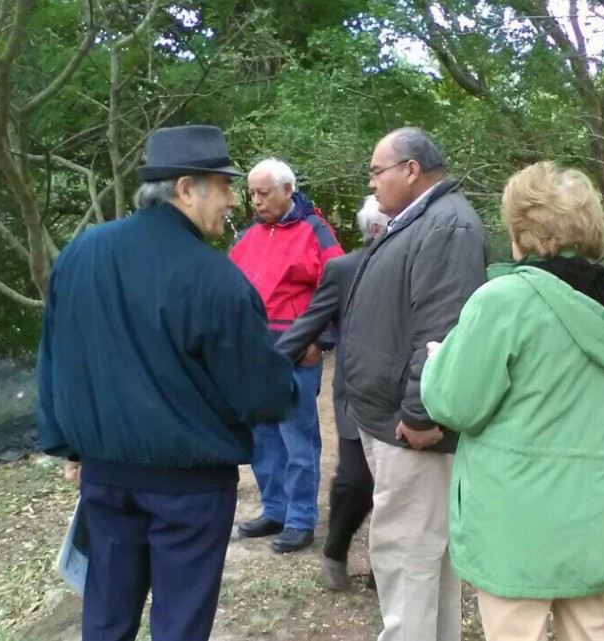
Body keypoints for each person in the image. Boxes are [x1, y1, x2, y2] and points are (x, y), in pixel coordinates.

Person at [36, 125, 297, 641]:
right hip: (190, 490)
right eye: (223, 186)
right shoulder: (215, 279)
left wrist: (69, 445)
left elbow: (54, 359)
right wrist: (286, 384)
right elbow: (263, 394)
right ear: (185, 189)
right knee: (179, 624)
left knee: (106, 617)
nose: (232, 201)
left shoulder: (82, 252)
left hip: (106, 478)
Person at [420, 161, 604, 641]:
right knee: (590, 628)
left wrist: (439, 360)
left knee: (513, 630)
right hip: (597, 507)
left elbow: (455, 405)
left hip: (517, 513)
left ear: (522, 231)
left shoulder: (503, 300)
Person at [343, 127, 488, 641]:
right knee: (422, 556)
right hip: (390, 420)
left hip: (410, 428)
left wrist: (421, 415)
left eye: (377, 170)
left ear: (410, 170)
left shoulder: (447, 226)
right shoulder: (419, 221)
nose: (372, 181)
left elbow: (441, 330)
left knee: (408, 554)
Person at [230, 158, 345, 554]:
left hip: (297, 353)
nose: (256, 201)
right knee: (262, 437)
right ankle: (275, 509)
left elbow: (339, 286)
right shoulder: (250, 237)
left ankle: (300, 519)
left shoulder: (315, 231)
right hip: (255, 356)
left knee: (297, 438)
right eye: (252, 193)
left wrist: (321, 340)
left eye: (264, 193)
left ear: (286, 190)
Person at [275, 195, 390, 591]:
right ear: (377, 229)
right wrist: (263, 370)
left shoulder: (421, 266)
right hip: (356, 395)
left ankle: (385, 570)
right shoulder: (342, 269)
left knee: (400, 491)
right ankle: (336, 549)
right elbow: (309, 321)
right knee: (357, 482)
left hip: (405, 398)